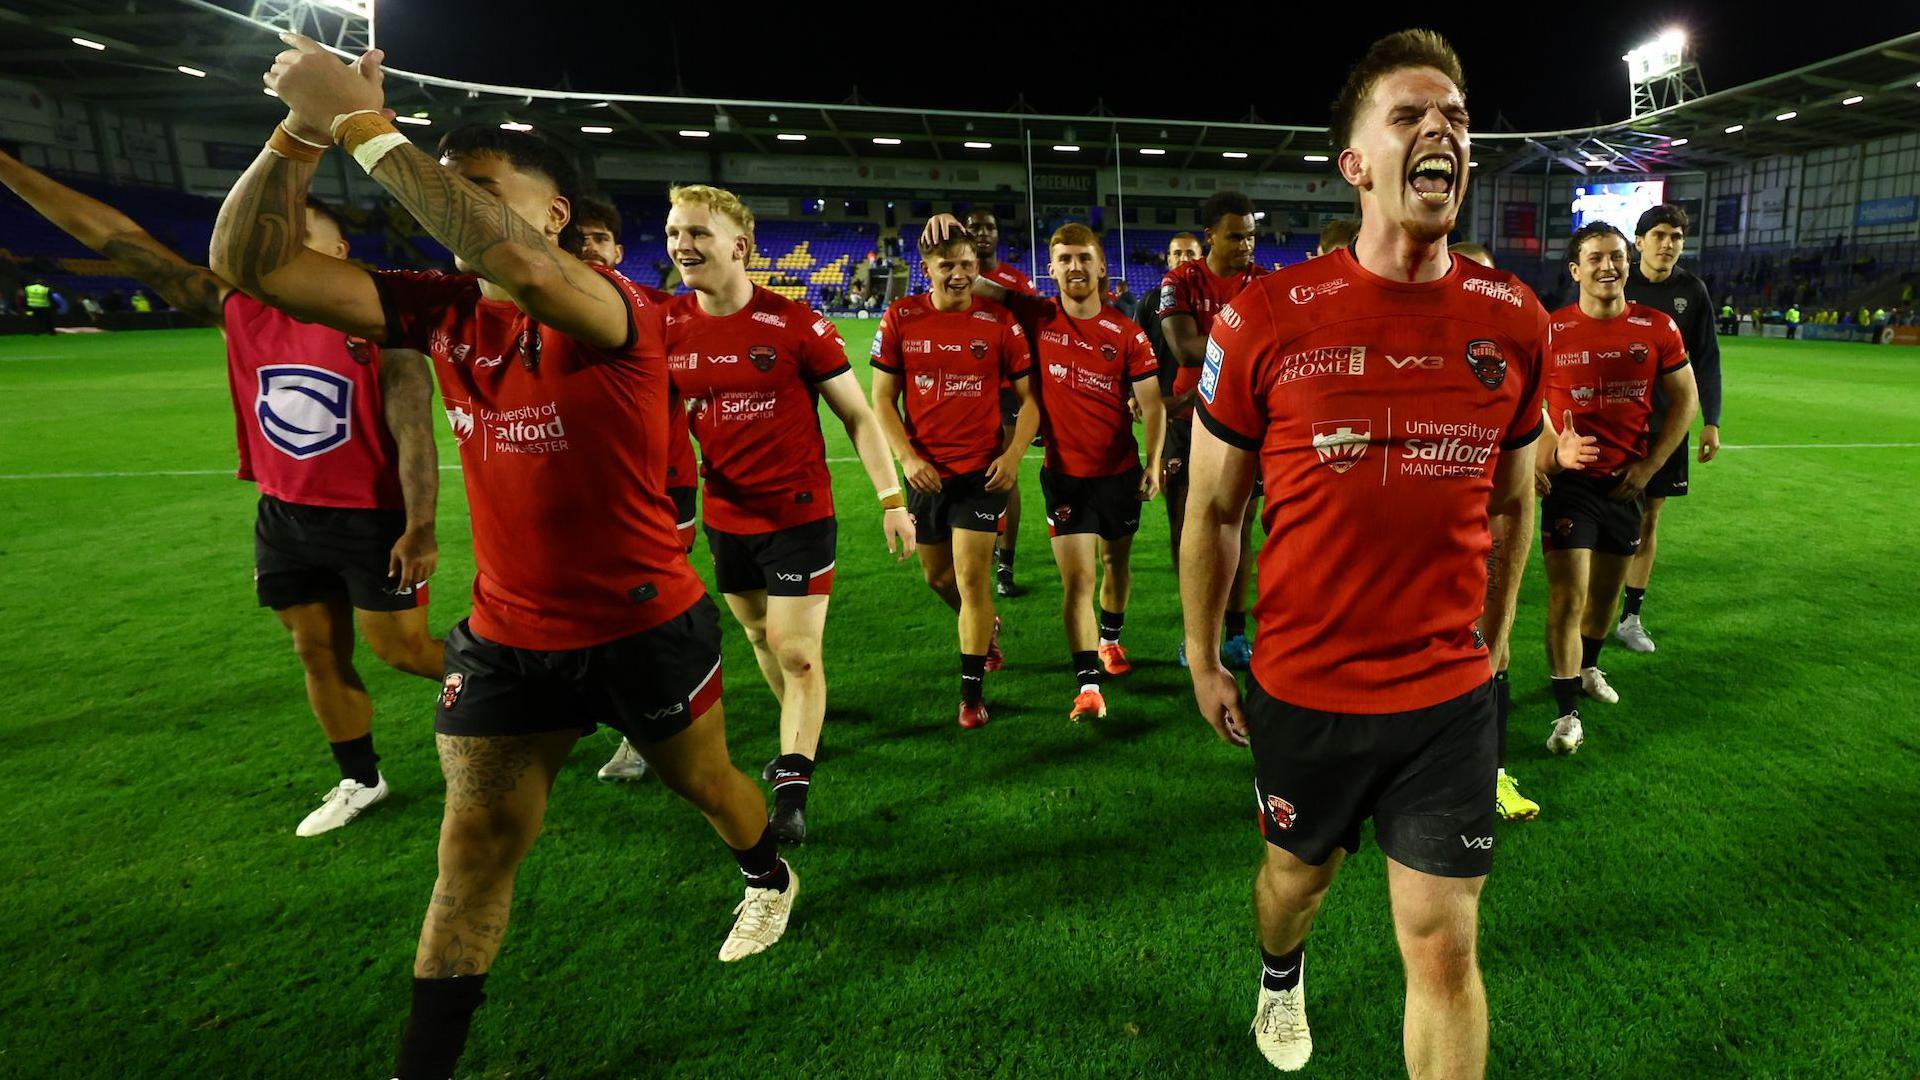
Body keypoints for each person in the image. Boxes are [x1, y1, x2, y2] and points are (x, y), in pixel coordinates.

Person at [216, 38, 797, 1076]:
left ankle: (767, 872)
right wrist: (300, 131)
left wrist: (360, 122)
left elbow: (517, 264)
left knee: (709, 788)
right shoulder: (440, 314)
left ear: (555, 213)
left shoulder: (614, 310)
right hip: (505, 639)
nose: (444, 203)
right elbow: (250, 266)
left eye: (476, 190)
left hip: (643, 626)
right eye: (445, 185)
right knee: (473, 852)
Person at [1183, 30, 1591, 1074]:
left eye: (1454, 117)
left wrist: (1493, 644)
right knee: (1293, 887)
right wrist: (1200, 656)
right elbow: (1217, 512)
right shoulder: (1264, 316)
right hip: (1305, 686)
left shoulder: (1515, 320)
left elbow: (1512, 506)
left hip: (1447, 698)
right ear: (1355, 162)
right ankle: (1281, 974)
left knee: (1444, 951)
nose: (1441, 131)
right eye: (1410, 116)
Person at [0, 148, 443, 837]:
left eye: (299, 234)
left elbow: (414, 429)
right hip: (283, 514)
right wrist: (10, 168)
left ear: (339, 247)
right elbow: (116, 239)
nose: (279, 245)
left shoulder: (382, 320)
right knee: (316, 651)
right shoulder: (237, 307)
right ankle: (360, 778)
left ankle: (545, 690)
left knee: (405, 652)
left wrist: (420, 527)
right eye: (271, 235)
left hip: (371, 518)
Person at [655, 182, 915, 842]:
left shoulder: (796, 323)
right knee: (758, 637)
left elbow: (858, 415)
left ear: (739, 245)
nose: (683, 244)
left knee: (796, 651)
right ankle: (804, 732)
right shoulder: (665, 327)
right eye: (674, 232)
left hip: (799, 516)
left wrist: (892, 502)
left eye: (697, 232)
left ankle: (793, 784)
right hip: (725, 518)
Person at [925, 216, 1166, 717]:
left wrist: (1154, 459)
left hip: (1118, 473)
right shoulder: (1035, 314)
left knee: (1113, 565)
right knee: (1077, 581)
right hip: (1064, 476)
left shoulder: (1127, 334)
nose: (1075, 267)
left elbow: (1153, 401)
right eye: (1065, 260)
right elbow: (970, 277)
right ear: (1051, 270)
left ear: (1102, 267)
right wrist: (951, 228)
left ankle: (1112, 638)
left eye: (1084, 259)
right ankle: (1088, 683)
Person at [1537, 222, 1698, 755]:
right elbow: (1523, 406)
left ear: (1628, 265)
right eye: (1596, 258)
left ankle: (1588, 667)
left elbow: (1686, 400)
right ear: (1575, 270)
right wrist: (1545, 456)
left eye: (1616, 257)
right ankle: (1566, 715)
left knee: (1603, 601)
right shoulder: (1550, 330)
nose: (1608, 266)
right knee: (1569, 595)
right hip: (1571, 485)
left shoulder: (1658, 327)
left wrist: (1650, 466)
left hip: (1626, 485)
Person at [871, 225, 1037, 729]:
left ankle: (971, 695)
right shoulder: (901, 316)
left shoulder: (1000, 321)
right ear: (927, 270)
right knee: (939, 578)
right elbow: (881, 399)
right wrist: (908, 459)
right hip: (928, 477)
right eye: (948, 265)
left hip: (979, 474)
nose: (960, 274)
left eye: (967, 265)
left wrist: (1011, 457)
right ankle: (985, 628)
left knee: (971, 578)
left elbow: (1031, 402)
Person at [569, 194, 705, 784]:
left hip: (661, 483)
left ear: (619, 250)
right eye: (577, 238)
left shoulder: (660, 311)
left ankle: (644, 729)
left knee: (647, 607)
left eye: (598, 237)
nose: (587, 248)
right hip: (577, 489)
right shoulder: (537, 311)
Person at [1160, 190, 1266, 669]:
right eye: (1235, 236)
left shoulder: (1264, 282)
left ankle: (1237, 635)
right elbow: (1183, 349)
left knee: (1241, 528)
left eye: (1250, 236)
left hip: (1246, 422)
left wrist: (1225, 345)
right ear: (1210, 237)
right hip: (1188, 423)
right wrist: (1250, 340)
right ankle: (1196, 634)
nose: (1246, 245)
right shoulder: (1180, 280)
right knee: (1188, 529)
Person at [1618, 204, 1723, 654]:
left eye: (1677, 237)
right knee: (1602, 513)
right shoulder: (1616, 282)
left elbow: (1707, 359)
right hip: (1613, 421)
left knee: (1649, 515)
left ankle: (1630, 616)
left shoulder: (1692, 291)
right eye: (1659, 234)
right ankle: (1589, 603)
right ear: (1638, 242)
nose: (1668, 244)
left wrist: (1711, 421)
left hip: (1667, 425)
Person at [964, 207, 1038, 598]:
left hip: (1008, 388)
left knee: (1004, 472)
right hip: (969, 389)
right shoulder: (957, 277)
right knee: (974, 470)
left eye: (989, 226)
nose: (982, 233)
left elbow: (1034, 331)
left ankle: (1005, 562)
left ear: (998, 234)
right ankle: (982, 545)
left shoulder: (1015, 280)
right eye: (974, 227)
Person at [1134, 233, 1204, 405]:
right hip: (1162, 398)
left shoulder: (1211, 301)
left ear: (1200, 260)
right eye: (1177, 253)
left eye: (1190, 254)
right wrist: (1132, 392)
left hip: (1204, 398)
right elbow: (1136, 351)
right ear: (1169, 259)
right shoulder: (1150, 301)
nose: (1183, 259)